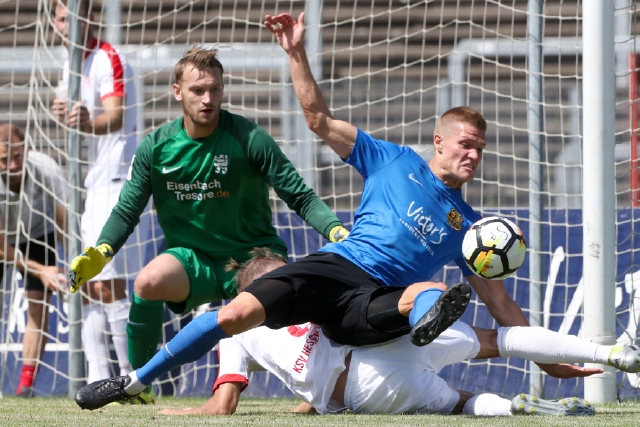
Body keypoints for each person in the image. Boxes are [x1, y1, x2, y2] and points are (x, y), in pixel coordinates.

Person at [71, 12, 585, 409]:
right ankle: (133, 381)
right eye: (466, 144)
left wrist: (555, 364)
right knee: (234, 314)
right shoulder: (392, 159)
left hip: (377, 303)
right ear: (439, 141)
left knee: (425, 297)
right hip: (336, 267)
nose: (473, 155)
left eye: (481, 148)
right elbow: (318, 119)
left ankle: (420, 323)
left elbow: (502, 308)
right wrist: (295, 52)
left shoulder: (473, 231)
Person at [66, 41, 350, 403]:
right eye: (197, 90)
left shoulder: (250, 138)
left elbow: (300, 195)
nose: (207, 98)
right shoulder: (156, 147)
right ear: (177, 92)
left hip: (253, 255)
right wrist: (103, 251)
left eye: (214, 89)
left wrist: (335, 229)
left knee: (285, 302)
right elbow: (126, 211)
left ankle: (323, 383)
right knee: (148, 281)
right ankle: (139, 386)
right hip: (195, 260)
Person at [158, 254, 637, 417]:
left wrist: (176, 411)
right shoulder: (313, 290)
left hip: (365, 385)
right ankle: (610, 351)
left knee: (458, 403)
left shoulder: (237, 330)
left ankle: (515, 408)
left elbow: (223, 404)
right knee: (498, 341)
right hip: (388, 337)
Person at [51, 0, 151, 386]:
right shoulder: (69, 64)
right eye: (60, 18)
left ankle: (130, 379)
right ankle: (97, 378)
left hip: (119, 181)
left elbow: (114, 116)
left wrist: (87, 120)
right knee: (86, 281)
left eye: (72, 16)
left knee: (109, 281)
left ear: (88, 17)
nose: (66, 24)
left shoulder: (109, 57)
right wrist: (67, 114)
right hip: (93, 182)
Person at [0, 123, 67, 397]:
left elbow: (64, 222)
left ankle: (24, 387)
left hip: (39, 235)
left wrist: (75, 264)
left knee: (38, 310)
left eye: (18, 156)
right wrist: (42, 271)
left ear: (26, 149)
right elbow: (2, 247)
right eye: (5, 159)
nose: (14, 165)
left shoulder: (46, 168)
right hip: (5, 240)